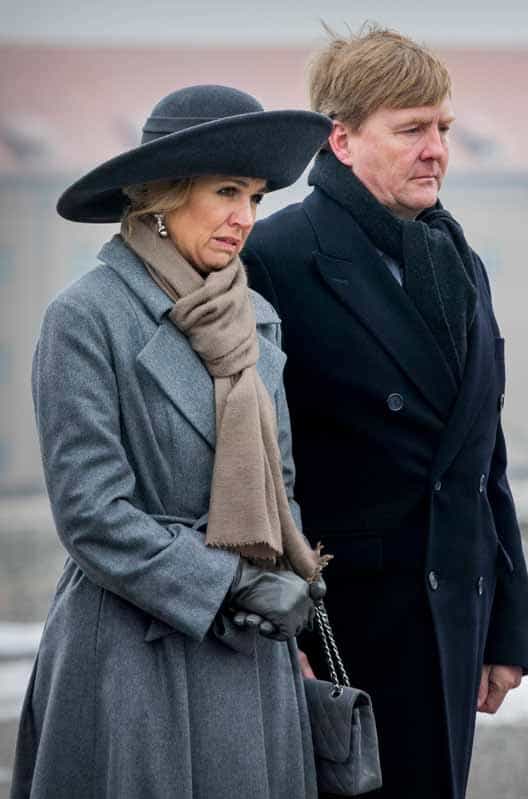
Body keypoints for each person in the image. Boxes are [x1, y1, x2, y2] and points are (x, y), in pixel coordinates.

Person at [11, 85, 332, 799]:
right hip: (133, 657)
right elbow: (92, 514)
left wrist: (287, 589)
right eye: (226, 192)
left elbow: (280, 484)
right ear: (160, 196)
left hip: (254, 657)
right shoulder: (85, 318)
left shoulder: (257, 317)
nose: (245, 218)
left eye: (253, 197)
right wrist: (227, 583)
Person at [242, 26, 528, 799]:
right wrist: (279, 636)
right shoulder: (275, 257)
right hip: (343, 629)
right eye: (410, 130)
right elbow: (253, 471)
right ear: (341, 139)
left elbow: (480, 457)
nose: (435, 148)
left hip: (453, 615)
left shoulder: (454, 257)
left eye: (443, 128)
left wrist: (506, 624)